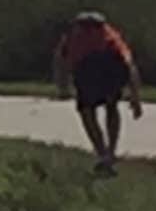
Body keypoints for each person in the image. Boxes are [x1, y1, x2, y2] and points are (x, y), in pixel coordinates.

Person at [52, 10, 145, 176]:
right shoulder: (108, 36)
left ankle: (103, 153)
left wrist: (62, 86)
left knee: (88, 111)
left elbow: (60, 61)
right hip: (104, 70)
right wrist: (135, 98)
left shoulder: (77, 38)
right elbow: (129, 65)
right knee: (109, 107)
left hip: (95, 69)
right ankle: (108, 153)